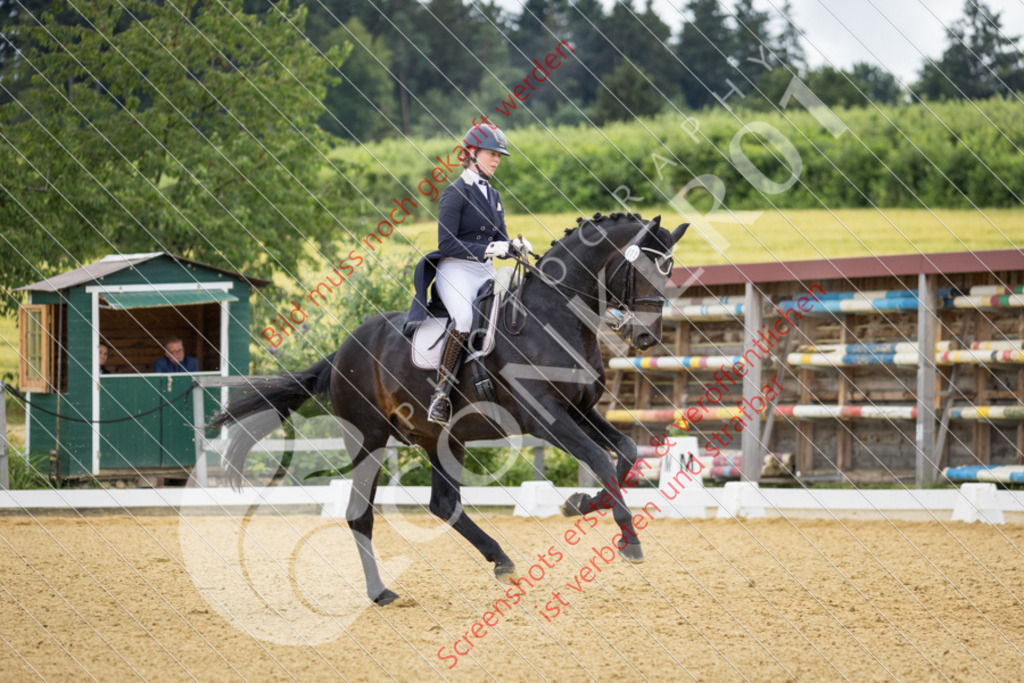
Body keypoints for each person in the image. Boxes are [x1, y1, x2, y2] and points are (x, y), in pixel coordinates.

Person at [404, 122, 532, 425]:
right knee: (463, 319)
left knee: (516, 306)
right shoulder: (454, 193)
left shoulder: (494, 195)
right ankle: (441, 394)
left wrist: (514, 246)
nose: (496, 160)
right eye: (491, 154)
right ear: (471, 154)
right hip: (456, 270)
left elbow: (499, 237)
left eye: (499, 156)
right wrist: (488, 250)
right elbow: (446, 242)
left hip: (485, 271)